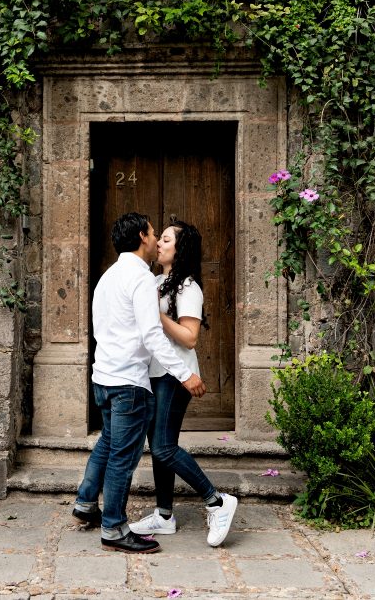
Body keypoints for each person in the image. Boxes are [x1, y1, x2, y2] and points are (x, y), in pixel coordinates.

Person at [72, 212, 205, 554]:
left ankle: (86, 503)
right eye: (153, 232)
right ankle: (114, 528)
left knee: (107, 442)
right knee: (122, 456)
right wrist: (185, 374)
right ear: (143, 237)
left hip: (103, 376)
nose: (156, 239)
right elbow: (152, 336)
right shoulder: (143, 279)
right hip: (129, 381)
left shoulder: (108, 277)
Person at [128, 220, 238, 547]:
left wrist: (156, 315)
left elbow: (190, 338)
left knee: (163, 447)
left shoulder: (188, 287)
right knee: (160, 447)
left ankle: (216, 501)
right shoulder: (156, 281)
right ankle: (164, 516)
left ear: (180, 248)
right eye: (159, 239)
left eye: (165, 239)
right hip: (153, 373)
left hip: (175, 376)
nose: (159, 244)